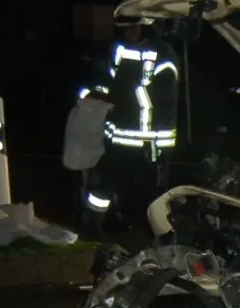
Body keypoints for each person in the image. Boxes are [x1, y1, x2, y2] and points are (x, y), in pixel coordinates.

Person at [63, 24, 181, 239]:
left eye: (132, 28)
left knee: (149, 193)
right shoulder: (119, 50)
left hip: (149, 143)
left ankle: (156, 236)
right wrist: (94, 96)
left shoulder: (163, 57)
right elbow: (102, 79)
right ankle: (94, 228)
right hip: (117, 138)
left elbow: (157, 99)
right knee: (103, 186)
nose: (127, 33)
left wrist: (115, 97)